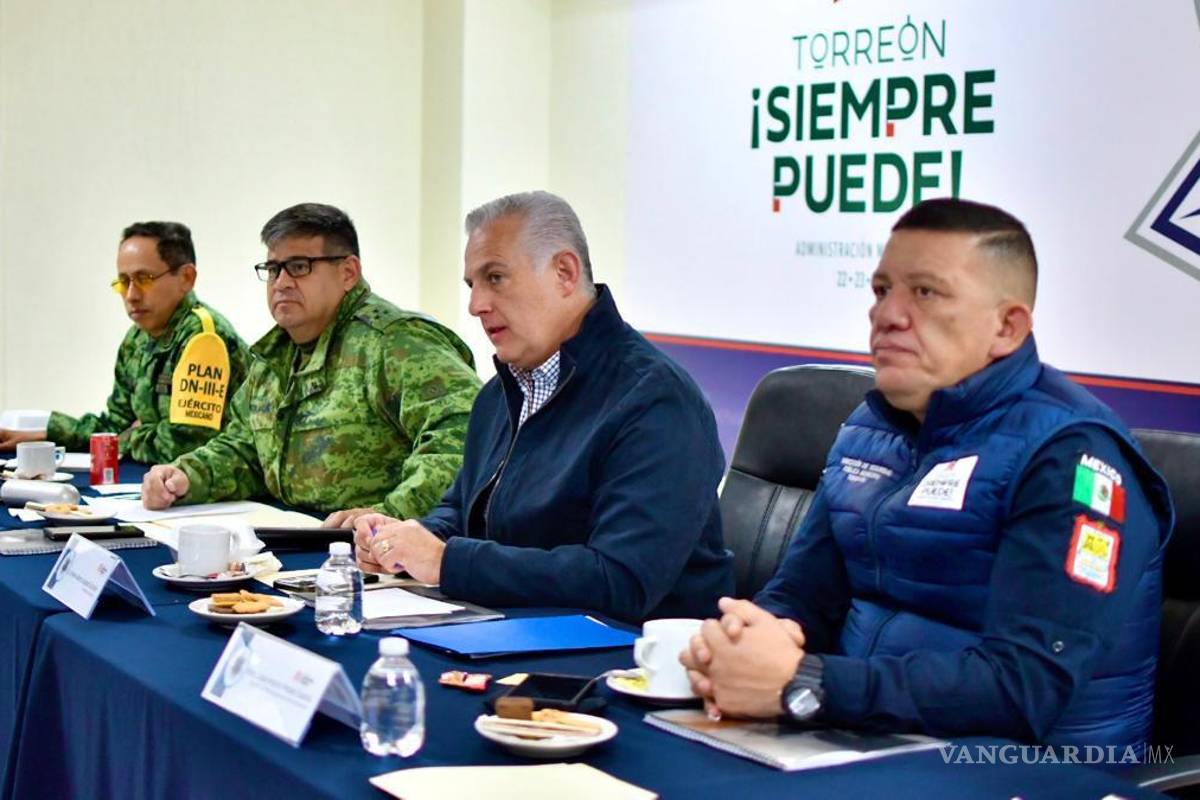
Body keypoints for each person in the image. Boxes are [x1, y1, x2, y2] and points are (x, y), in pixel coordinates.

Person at [682, 198, 1173, 751]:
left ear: (1007, 327)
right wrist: (746, 643)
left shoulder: (1072, 456)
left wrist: (805, 684)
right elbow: (804, 594)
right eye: (881, 289)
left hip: (1030, 773)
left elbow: (1023, 689)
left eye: (925, 292)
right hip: (861, 741)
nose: (886, 315)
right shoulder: (871, 425)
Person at [352, 191, 733, 622]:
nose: (476, 305)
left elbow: (620, 581)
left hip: (627, 660)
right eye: (472, 285)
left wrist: (446, 562)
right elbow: (462, 510)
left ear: (564, 273)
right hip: (512, 629)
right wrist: (406, 540)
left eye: (495, 277)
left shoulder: (655, 400)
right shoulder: (499, 394)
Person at [141, 203, 480, 525]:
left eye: (299, 267)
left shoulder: (395, 342)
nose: (282, 282)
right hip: (295, 539)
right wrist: (187, 476)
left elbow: (465, 435)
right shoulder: (276, 355)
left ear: (348, 273)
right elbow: (246, 449)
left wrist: (390, 514)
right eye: (273, 269)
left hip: (377, 555)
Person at [0, 222, 248, 462]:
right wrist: (47, 435)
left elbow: (185, 445)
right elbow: (116, 424)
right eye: (124, 281)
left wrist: (129, 436)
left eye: (144, 278)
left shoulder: (205, 337)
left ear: (186, 278)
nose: (131, 295)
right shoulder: (137, 338)